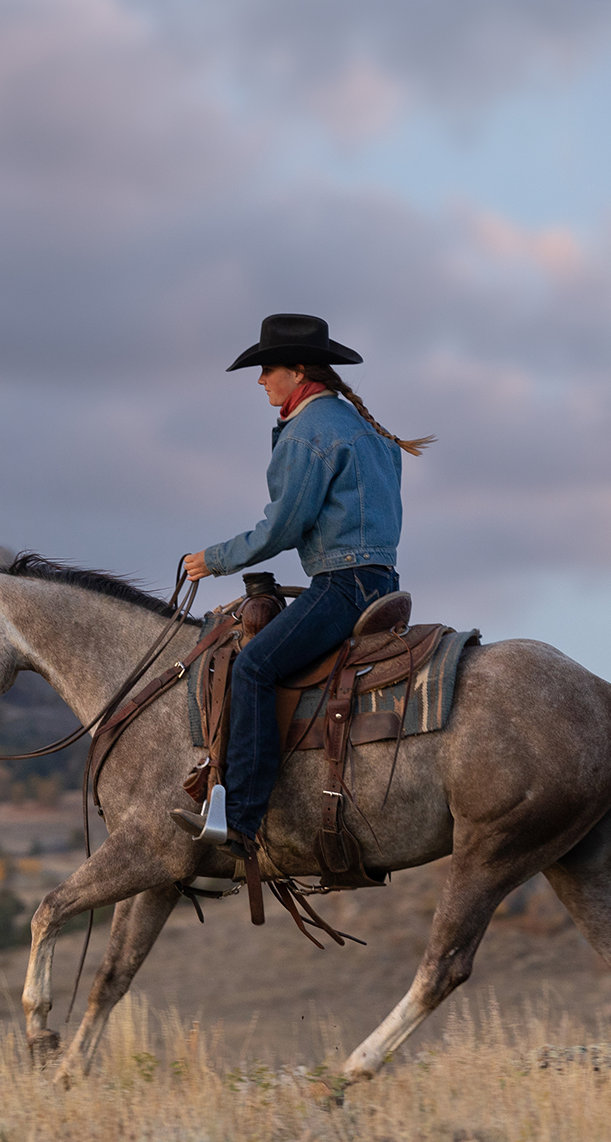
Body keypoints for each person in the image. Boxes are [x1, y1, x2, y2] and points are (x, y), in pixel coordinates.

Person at [179, 313, 435, 851]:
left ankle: (242, 821)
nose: (260, 380)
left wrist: (216, 559)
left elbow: (283, 526)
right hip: (380, 580)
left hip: (342, 586)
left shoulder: (307, 433)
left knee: (252, 668)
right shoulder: (362, 427)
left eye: (267, 369)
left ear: (298, 372)